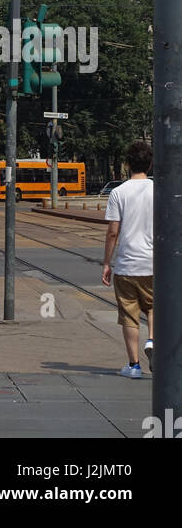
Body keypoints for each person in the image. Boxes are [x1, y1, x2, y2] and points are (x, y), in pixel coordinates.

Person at [101, 140, 153, 378]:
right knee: (154, 308)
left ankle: (133, 366)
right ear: (150, 164)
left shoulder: (118, 193)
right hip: (155, 263)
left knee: (129, 315)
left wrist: (106, 263)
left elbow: (113, 231)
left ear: (127, 164)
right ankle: (152, 340)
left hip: (127, 265)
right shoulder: (160, 190)